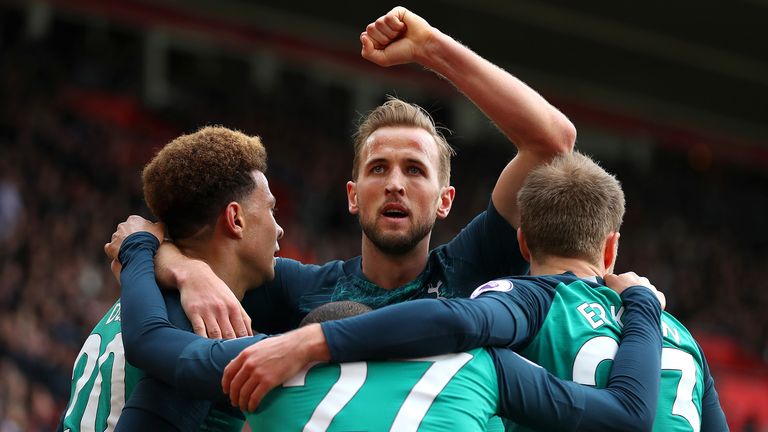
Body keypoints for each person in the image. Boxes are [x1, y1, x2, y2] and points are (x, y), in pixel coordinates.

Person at [111, 5, 577, 338]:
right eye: (379, 168)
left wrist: (430, 48)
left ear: (444, 199)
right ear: (353, 195)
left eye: (415, 170)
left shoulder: (475, 267)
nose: (394, 182)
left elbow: (554, 141)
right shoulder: (299, 289)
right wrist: (189, 273)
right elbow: (139, 233)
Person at [231, 152, 728, 431]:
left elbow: (454, 323)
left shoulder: (523, 298)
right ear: (611, 248)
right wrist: (641, 302)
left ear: (522, 241)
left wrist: (311, 341)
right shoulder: (681, 336)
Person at [115, 227, 666, 431]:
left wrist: (148, 248)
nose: (280, 227)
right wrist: (641, 301)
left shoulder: (268, 369)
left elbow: (147, 340)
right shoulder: (484, 369)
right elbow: (628, 412)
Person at [58, 126, 282, 431]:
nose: (278, 228)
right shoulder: (201, 323)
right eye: (271, 209)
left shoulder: (140, 296)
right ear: (236, 219)